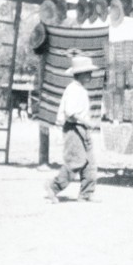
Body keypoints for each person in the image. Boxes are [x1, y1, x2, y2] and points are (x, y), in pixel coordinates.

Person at [45, 56, 99, 204]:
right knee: (75, 161)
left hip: (82, 128)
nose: (90, 75)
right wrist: (87, 122)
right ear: (79, 74)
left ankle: (86, 193)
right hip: (73, 128)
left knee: (89, 162)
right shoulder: (73, 89)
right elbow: (70, 112)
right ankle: (54, 187)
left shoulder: (80, 90)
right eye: (87, 72)